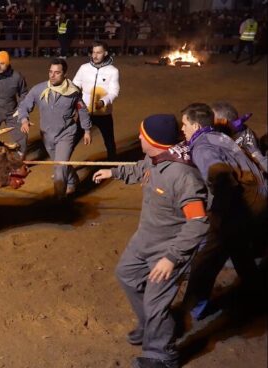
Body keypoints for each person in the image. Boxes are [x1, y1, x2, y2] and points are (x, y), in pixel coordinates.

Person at [93, 114, 209, 368]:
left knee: (155, 300)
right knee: (126, 274)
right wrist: (113, 172)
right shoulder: (157, 158)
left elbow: (198, 222)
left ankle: (162, 354)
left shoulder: (183, 176)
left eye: (141, 136)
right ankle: (152, 325)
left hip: (168, 249)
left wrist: (172, 258)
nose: (138, 138)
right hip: (145, 238)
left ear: (154, 141)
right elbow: (141, 169)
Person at [179, 103, 267, 321]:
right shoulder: (221, 137)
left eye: (184, 124)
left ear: (196, 125)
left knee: (204, 261)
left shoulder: (202, 148)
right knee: (239, 250)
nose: (182, 129)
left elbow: (222, 181)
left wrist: (217, 220)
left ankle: (191, 311)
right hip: (258, 201)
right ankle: (257, 296)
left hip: (240, 208)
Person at [16, 58, 91, 198]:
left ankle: (59, 199)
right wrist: (24, 119)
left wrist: (86, 130)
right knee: (60, 163)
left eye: (57, 73)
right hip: (46, 135)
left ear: (65, 75)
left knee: (59, 166)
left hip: (66, 134)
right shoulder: (39, 89)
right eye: (50, 72)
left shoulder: (73, 93)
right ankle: (72, 180)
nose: (52, 75)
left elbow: (82, 110)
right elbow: (24, 105)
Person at [72, 41, 120, 160]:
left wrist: (103, 102)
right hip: (85, 112)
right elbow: (74, 86)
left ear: (106, 53)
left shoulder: (113, 71)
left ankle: (112, 168)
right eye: (93, 52)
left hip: (104, 113)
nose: (95, 55)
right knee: (71, 141)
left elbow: (114, 91)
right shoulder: (84, 68)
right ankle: (61, 167)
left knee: (109, 142)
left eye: (98, 53)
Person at [211, 101, 267, 173]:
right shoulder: (225, 132)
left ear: (224, 122)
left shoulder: (247, 142)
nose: (209, 124)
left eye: (212, 121)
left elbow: (262, 161)